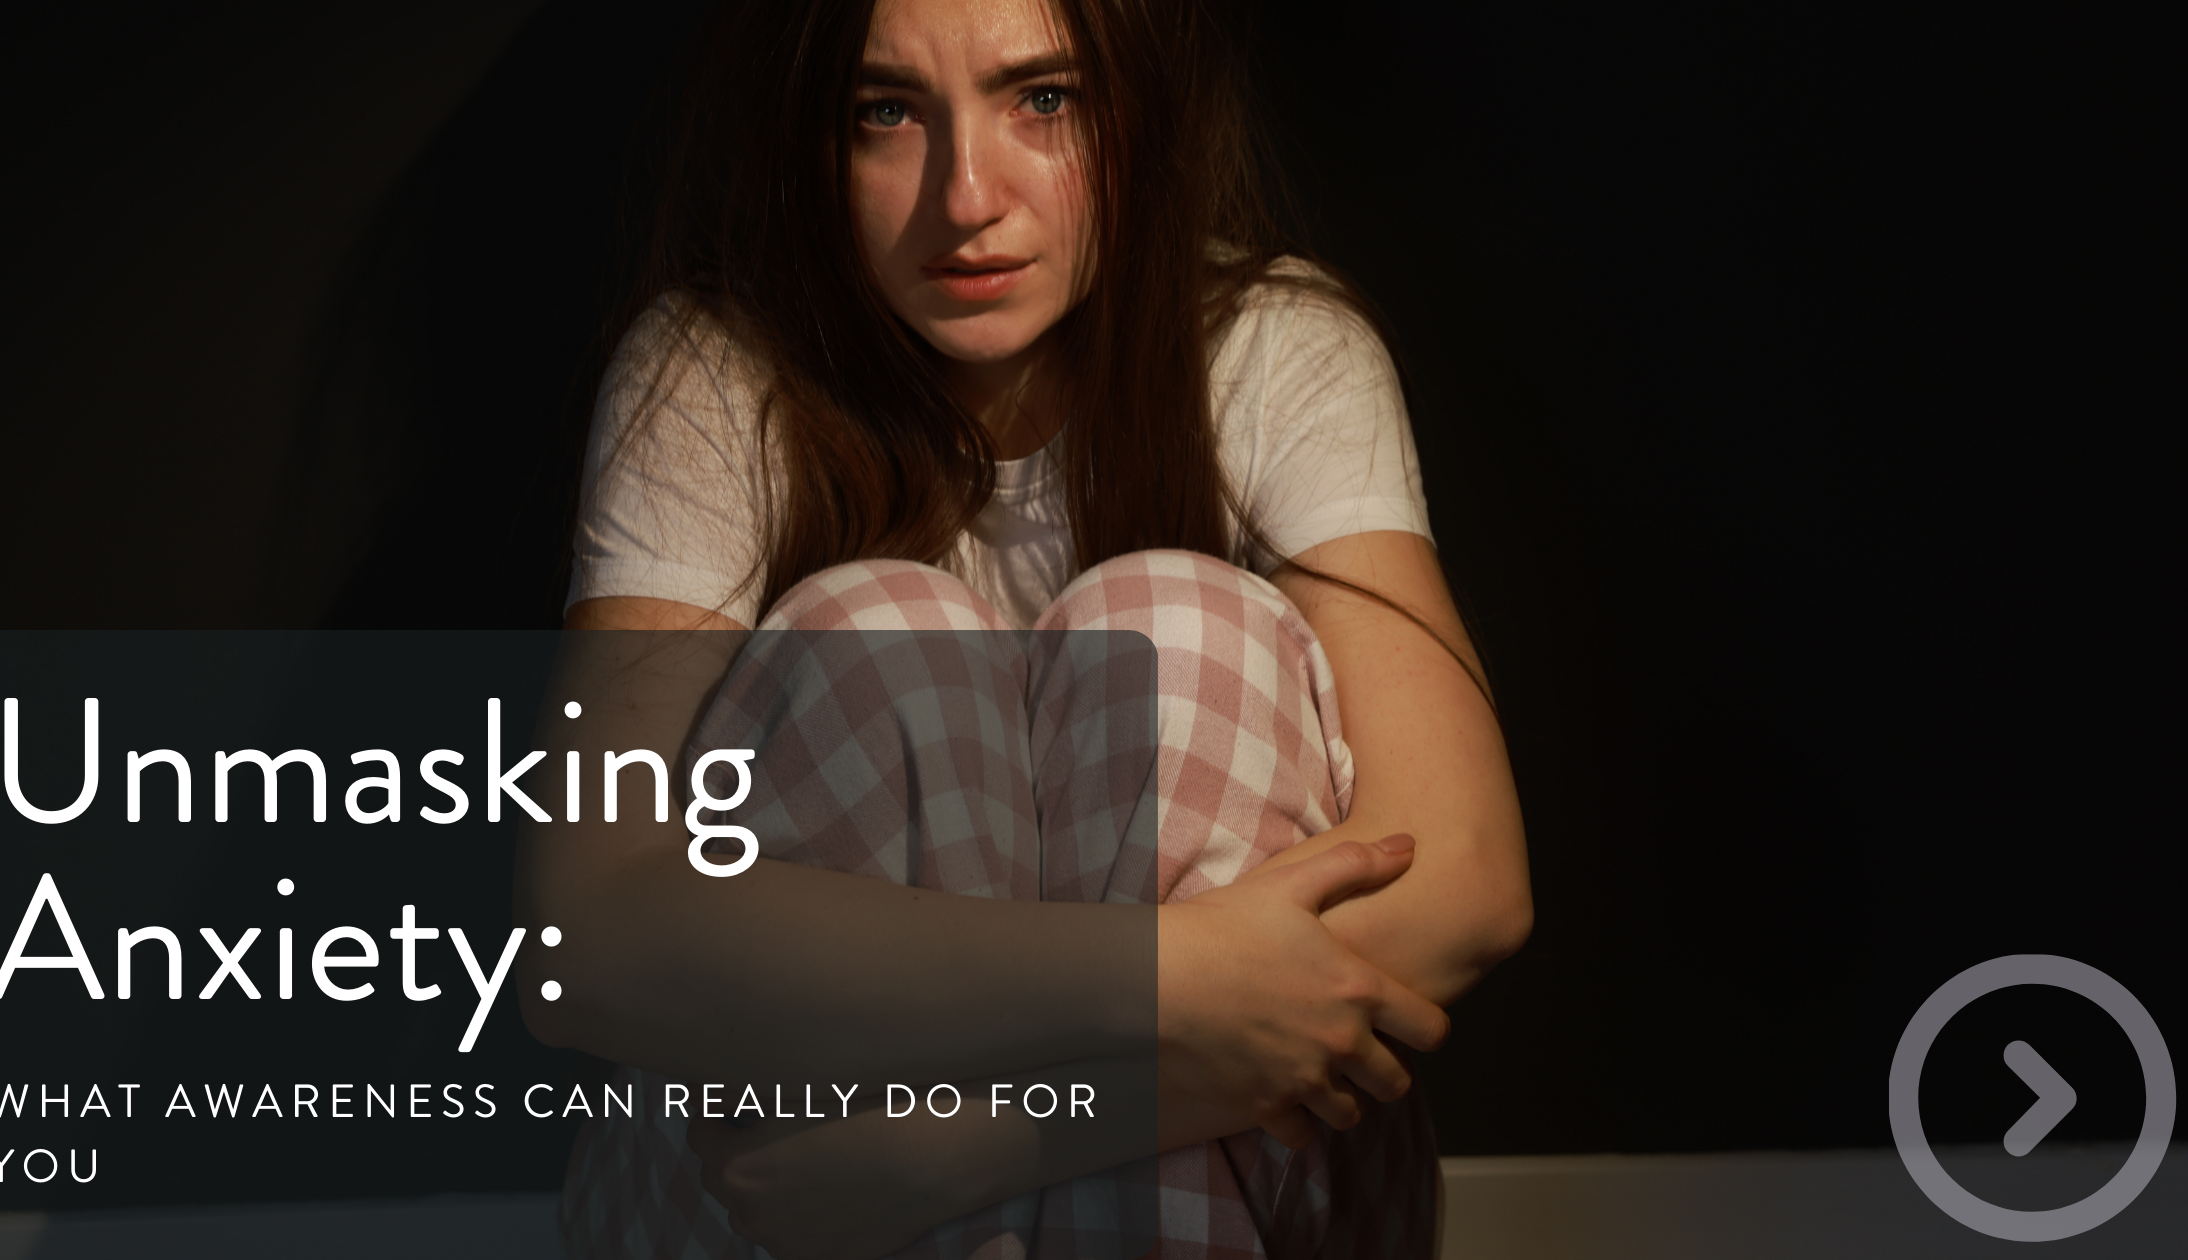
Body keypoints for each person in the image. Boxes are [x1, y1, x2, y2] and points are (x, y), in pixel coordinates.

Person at [515, 0, 1532, 1256]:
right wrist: (1169, 978)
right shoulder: (717, 377)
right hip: (773, 1186)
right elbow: (585, 927)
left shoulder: (1272, 350)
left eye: (1042, 99)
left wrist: (988, 1137)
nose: (965, 197)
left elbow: (1466, 878)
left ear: (1138, 104)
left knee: (1175, 623)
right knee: (880, 632)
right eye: (885, 112)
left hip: (1003, 1165)